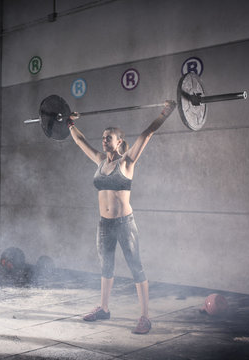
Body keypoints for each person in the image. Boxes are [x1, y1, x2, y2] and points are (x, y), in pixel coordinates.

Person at [67, 100, 177, 334]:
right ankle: (104, 309)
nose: (104, 140)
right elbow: (79, 140)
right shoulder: (99, 161)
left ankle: (145, 317)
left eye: (109, 137)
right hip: (104, 224)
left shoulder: (127, 162)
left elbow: (147, 133)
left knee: (136, 267)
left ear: (119, 142)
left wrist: (165, 113)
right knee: (106, 267)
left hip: (125, 224)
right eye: (103, 137)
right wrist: (69, 123)